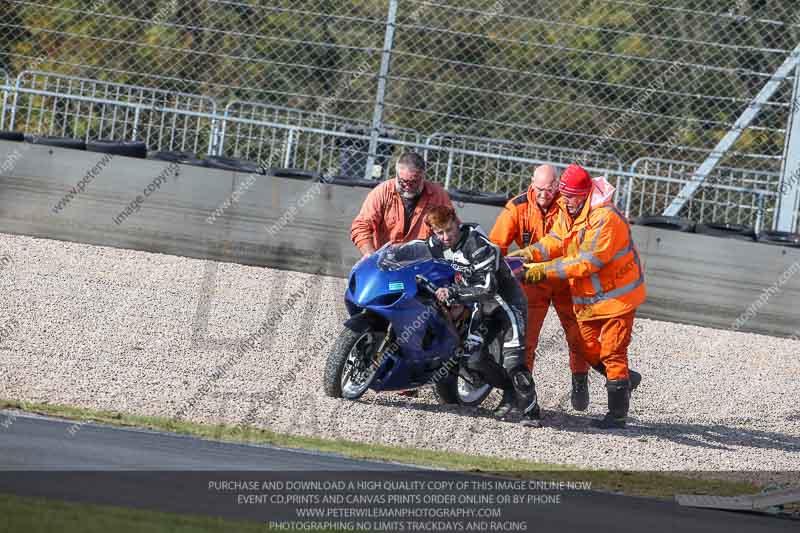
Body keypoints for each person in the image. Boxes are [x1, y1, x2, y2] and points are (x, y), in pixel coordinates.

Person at [509, 164, 645, 429]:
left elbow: (584, 263)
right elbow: (555, 241)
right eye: (564, 194)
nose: (565, 200)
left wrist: (535, 272)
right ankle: (626, 379)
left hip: (618, 299)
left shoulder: (605, 218)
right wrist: (526, 254)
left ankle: (617, 416)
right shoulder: (569, 210)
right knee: (582, 345)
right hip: (590, 298)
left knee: (612, 352)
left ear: (584, 193)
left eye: (571, 196)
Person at [425, 205, 542, 428]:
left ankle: (531, 411)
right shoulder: (435, 244)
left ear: (456, 222)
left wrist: (454, 293)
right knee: (472, 359)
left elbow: (488, 288)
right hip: (482, 308)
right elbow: (417, 253)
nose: (446, 237)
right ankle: (509, 390)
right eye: (439, 232)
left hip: (507, 306)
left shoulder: (477, 245)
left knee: (514, 363)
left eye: (449, 230)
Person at [489, 164, 592, 411]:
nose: (544, 194)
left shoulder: (569, 205)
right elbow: (497, 244)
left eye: (549, 189)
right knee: (525, 339)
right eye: (539, 189)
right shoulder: (517, 207)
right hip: (532, 282)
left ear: (557, 185)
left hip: (567, 279)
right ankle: (521, 393)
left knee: (577, 336)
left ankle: (579, 380)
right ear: (531, 183)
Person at [351, 152, 453, 257]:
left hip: (423, 262)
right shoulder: (382, 192)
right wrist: (370, 255)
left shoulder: (438, 196)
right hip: (384, 260)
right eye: (402, 182)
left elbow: (452, 230)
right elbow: (361, 226)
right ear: (396, 174)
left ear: (423, 176)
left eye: (413, 182)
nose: (407, 187)